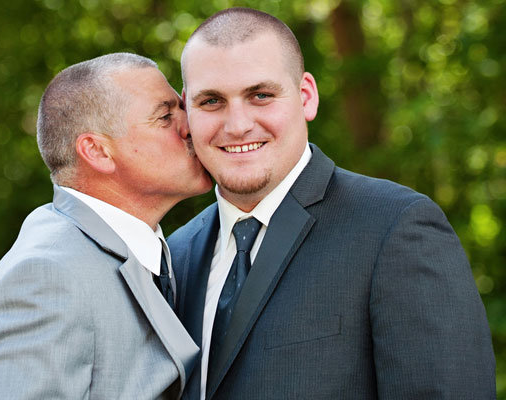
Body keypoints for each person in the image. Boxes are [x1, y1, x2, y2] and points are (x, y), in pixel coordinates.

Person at [168, 7, 495, 400]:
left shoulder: (394, 229)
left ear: (305, 97)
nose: (237, 125)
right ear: (186, 111)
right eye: (212, 101)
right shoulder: (175, 255)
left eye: (261, 95)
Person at [0, 53, 212, 399]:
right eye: (166, 116)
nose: (191, 126)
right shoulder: (48, 275)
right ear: (98, 152)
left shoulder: (147, 253)